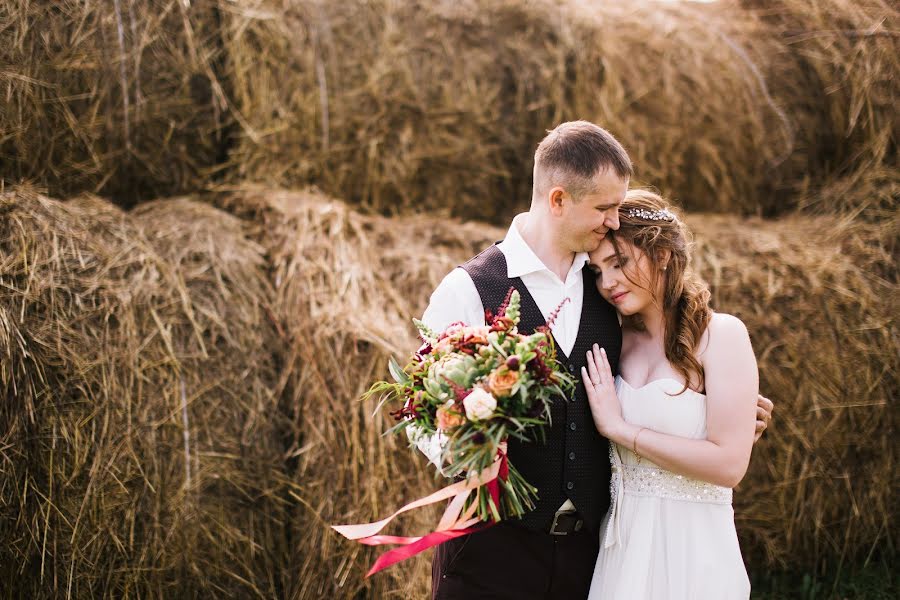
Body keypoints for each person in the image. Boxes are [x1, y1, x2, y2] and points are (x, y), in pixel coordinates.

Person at [417, 121, 772, 599]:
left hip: (592, 558)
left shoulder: (611, 291)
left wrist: (720, 407)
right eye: (604, 207)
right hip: (490, 553)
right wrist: (465, 447)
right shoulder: (469, 289)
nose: (614, 219)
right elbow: (422, 412)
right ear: (558, 200)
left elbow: (671, 363)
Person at [582, 189, 755, 599]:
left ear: (661, 255)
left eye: (619, 262)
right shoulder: (611, 341)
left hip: (695, 550)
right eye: (596, 271)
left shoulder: (721, 335)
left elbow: (730, 465)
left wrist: (620, 430)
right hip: (621, 548)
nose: (607, 283)